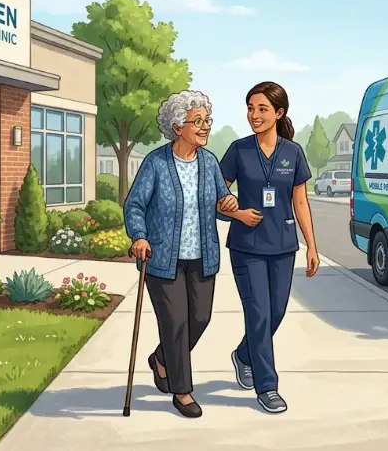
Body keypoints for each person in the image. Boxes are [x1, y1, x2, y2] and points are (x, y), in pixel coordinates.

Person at [123, 90, 238, 418]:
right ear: (177, 126)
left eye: (207, 121)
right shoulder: (156, 163)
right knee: (175, 324)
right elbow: (135, 204)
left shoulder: (209, 162)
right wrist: (140, 236)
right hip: (162, 260)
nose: (204, 127)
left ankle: (161, 359)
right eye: (197, 121)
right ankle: (182, 391)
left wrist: (228, 205)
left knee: (199, 319)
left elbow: (221, 203)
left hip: (203, 256)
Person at [218, 81, 320, 414]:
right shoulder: (238, 150)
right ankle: (267, 387)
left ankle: (245, 355)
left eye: (262, 109)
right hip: (246, 247)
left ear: (278, 113)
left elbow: (301, 201)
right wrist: (237, 211)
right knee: (259, 315)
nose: (254, 115)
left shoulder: (293, 153)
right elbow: (218, 193)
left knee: (275, 313)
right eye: (250, 108)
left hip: (282, 245)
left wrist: (311, 246)